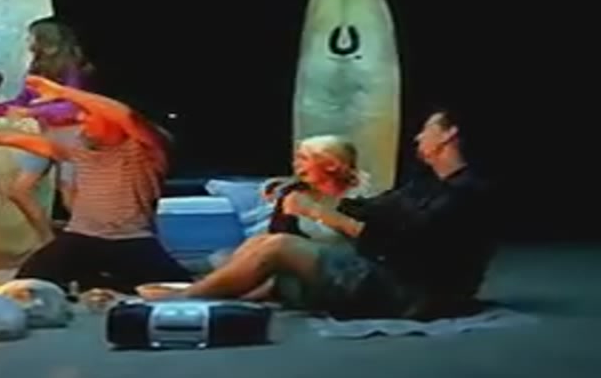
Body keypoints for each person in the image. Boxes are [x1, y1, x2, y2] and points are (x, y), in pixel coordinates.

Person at [165, 107, 496, 319]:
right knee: (259, 246)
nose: (419, 136)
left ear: (449, 135)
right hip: (387, 274)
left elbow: (404, 242)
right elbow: (375, 209)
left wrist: (319, 213)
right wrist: (312, 199)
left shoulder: (467, 192)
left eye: (427, 129)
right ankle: (194, 292)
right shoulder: (425, 183)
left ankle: (182, 300)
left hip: (411, 294)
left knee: (277, 248)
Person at [0, 75, 193, 293]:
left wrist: (62, 92)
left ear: (112, 122)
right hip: (80, 238)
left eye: (89, 115)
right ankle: (93, 281)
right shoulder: (81, 147)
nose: (81, 119)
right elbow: (16, 139)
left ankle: (103, 282)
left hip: (131, 241)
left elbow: (126, 115)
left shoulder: (147, 149)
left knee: (182, 290)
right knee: (24, 285)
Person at [0, 17, 94, 245]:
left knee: (69, 196)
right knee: (18, 190)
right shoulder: (37, 68)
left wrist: (32, 112)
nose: (28, 42)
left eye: (31, 37)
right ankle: (47, 242)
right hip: (46, 134)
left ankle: (93, 242)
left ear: (45, 39)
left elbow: (74, 105)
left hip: (73, 134)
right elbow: (19, 104)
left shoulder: (73, 66)